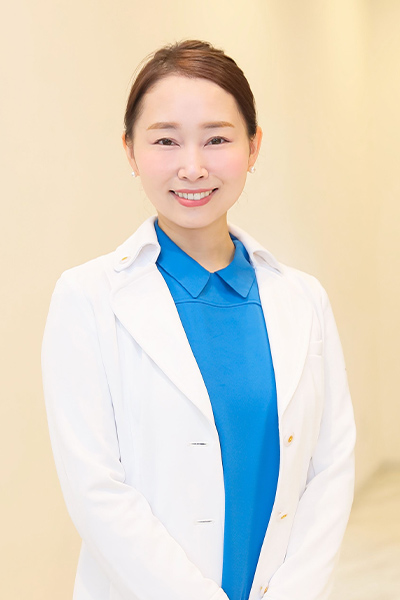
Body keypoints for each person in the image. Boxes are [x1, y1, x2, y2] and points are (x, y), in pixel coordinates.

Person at [42, 40, 356, 600]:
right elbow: (96, 489)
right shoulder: (87, 298)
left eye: (217, 139)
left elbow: (331, 470)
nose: (193, 167)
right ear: (130, 151)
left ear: (253, 146)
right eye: (165, 140)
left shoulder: (303, 299)